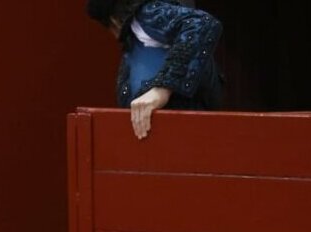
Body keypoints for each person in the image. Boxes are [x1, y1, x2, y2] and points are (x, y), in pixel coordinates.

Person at [86, 0, 223, 139]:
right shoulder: (133, 49)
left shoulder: (145, 15)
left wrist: (162, 89)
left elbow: (202, 23)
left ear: (113, 21)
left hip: (185, 133)